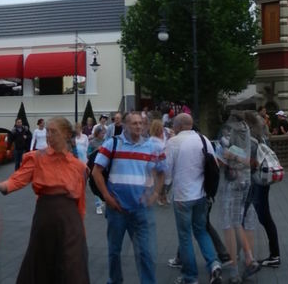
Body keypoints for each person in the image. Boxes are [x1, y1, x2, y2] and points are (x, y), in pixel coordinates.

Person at [0, 117, 88, 284]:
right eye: (48, 131)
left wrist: (82, 229)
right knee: (41, 262)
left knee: (72, 265)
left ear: (66, 134)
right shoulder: (38, 157)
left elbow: (80, 200)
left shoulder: (79, 166)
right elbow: (16, 180)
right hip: (45, 217)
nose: (49, 135)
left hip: (70, 220)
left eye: (53, 132)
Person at [91, 112, 165, 284]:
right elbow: (96, 172)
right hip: (117, 208)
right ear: (125, 125)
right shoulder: (112, 144)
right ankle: (114, 280)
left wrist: (155, 193)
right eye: (134, 123)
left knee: (145, 252)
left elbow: (162, 171)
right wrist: (107, 197)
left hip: (141, 209)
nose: (138, 126)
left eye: (141, 123)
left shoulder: (152, 147)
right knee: (114, 251)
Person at [163, 113, 223, 284]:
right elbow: (214, 164)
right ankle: (214, 264)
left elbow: (167, 171)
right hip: (201, 194)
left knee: (185, 236)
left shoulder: (173, 142)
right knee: (201, 231)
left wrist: (163, 189)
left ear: (178, 126)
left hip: (182, 195)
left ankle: (190, 276)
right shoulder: (203, 139)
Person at [214, 111, 262, 282]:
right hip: (248, 181)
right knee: (246, 222)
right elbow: (249, 159)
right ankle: (248, 260)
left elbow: (222, 159)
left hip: (232, 181)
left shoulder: (228, 131)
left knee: (230, 224)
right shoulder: (248, 131)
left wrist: (228, 155)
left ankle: (239, 266)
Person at [246, 111, 283, 269]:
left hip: (257, 183)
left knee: (264, 218)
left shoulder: (252, 142)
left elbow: (252, 163)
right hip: (262, 182)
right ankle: (271, 255)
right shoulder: (263, 139)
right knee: (263, 217)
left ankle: (274, 256)